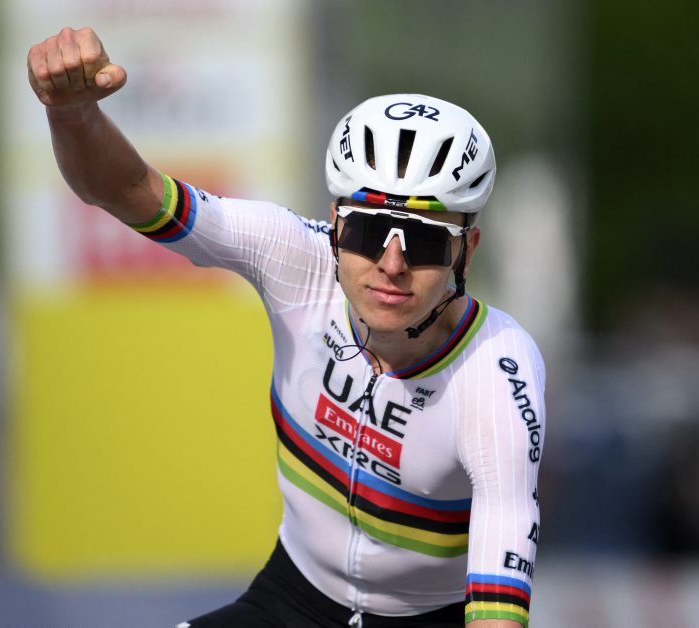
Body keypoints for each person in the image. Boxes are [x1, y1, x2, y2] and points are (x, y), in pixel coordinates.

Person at [28, 26, 546, 628]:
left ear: (466, 250)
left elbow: (499, 597)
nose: (392, 263)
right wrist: (72, 113)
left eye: (426, 241)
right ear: (335, 224)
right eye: (368, 231)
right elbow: (126, 189)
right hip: (292, 600)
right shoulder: (293, 257)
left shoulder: (495, 369)